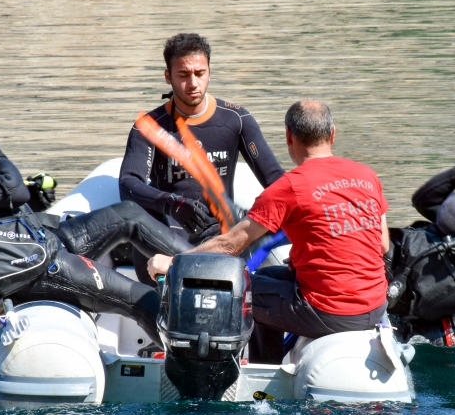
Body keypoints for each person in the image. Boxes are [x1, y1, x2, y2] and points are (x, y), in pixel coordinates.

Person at [0, 99, 192, 345]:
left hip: (30, 247)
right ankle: (189, 374)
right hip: (35, 270)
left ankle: (201, 265)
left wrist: (30, 200)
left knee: (129, 215)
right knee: (144, 300)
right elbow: (15, 189)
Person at [148, 100, 391, 363]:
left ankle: (265, 375)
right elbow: (382, 245)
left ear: (289, 137)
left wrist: (173, 262)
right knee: (266, 276)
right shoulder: (367, 175)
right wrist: (304, 258)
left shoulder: (289, 186)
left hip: (329, 312)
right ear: (333, 133)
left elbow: (231, 245)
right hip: (376, 307)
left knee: (243, 289)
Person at [119, 33, 284, 279]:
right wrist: (172, 204)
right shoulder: (150, 126)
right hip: (170, 231)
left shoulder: (236, 119)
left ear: (209, 72)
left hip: (221, 234)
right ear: (168, 77)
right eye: (183, 75)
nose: (193, 83)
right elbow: (128, 184)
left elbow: (276, 181)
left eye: (199, 73)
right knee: (142, 219)